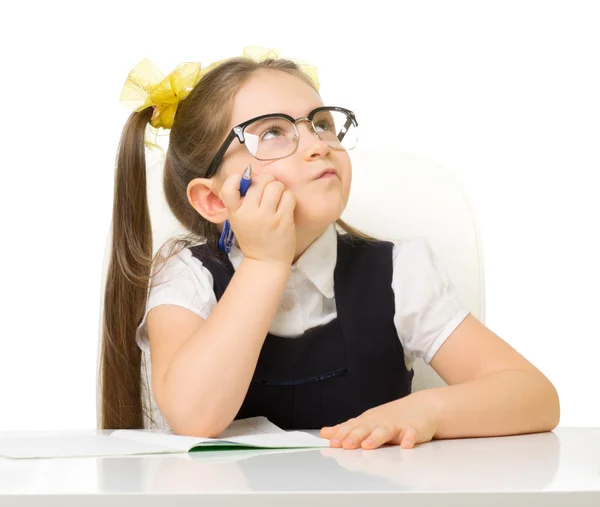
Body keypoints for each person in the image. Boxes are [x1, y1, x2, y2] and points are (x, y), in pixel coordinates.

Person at [101, 47, 560, 450]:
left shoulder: (400, 271)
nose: (319, 145)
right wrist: (264, 261)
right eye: (273, 132)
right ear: (214, 199)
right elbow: (193, 417)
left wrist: (428, 412)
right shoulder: (186, 277)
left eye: (321, 124)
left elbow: (534, 396)